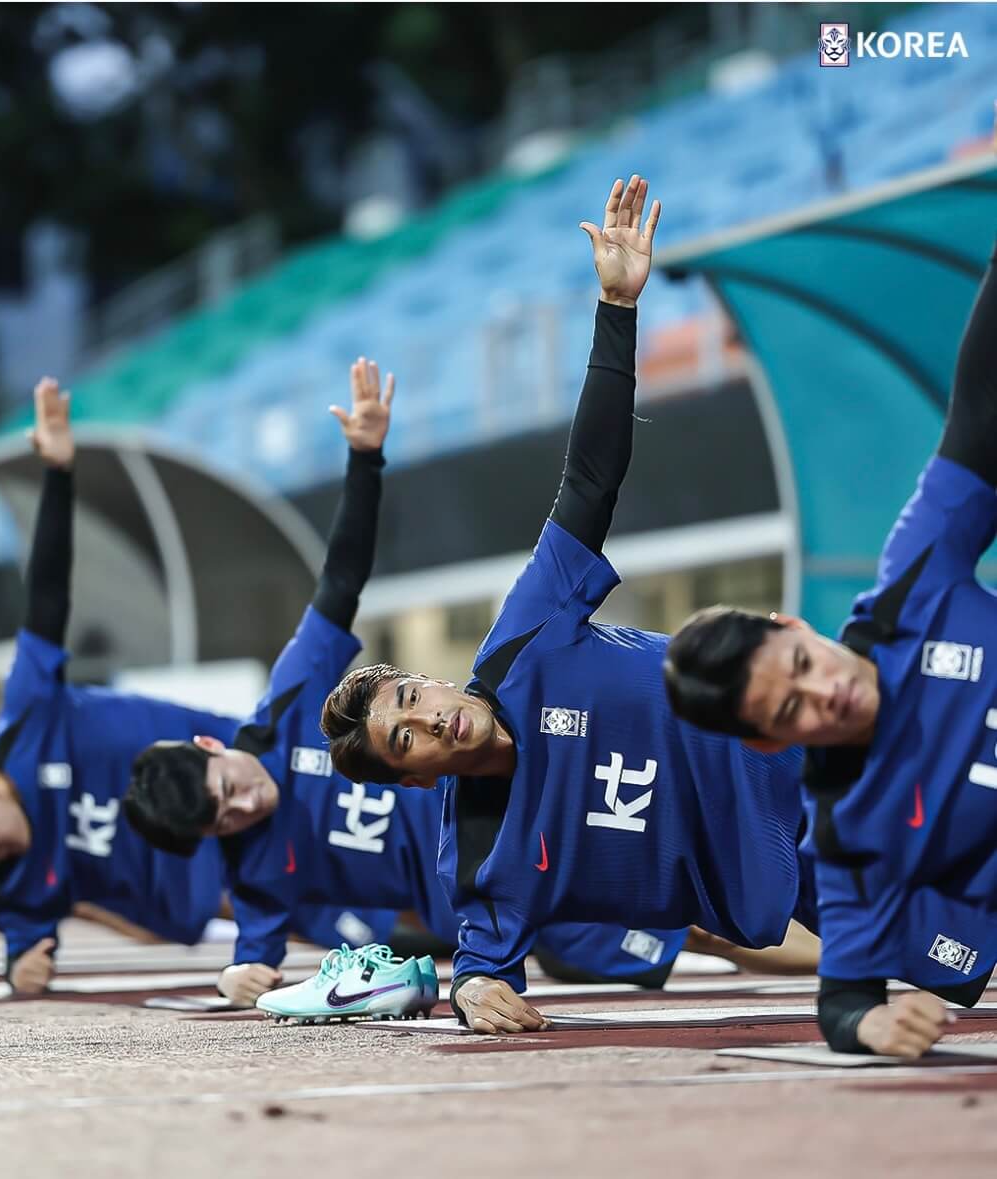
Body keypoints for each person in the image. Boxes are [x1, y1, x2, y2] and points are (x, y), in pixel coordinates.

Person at [126, 355, 815, 1012]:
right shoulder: (456, 863)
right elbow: (260, 959)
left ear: (211, 745)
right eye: (225, 817)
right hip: (506, 891)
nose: (245, 803)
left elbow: (343, 583)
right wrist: (246, 974)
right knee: (700, 926)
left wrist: (365, 459)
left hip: (759, 774)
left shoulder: (308, 699)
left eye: (228, 787)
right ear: (413, 780)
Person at [320, 175, 818, 1035]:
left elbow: (589, 480)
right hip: (806, 878)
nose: (428, 719)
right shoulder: (481, 856)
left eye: (410, 697)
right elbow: (481, 962)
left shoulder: (528, 635)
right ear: (415, 778)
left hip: (813, 735)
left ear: (427, 679)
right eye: (405, 740)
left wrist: (616, 309)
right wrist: (473, 992)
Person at [662, 233, 997, 1058]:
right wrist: (875, 1022)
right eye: (791, 711)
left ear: (794, 628)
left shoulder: (912, 588)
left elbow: (979, 419)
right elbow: (844, 999)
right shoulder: (844, 826)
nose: (827, 694)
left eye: (803, 667)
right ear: (767, 741)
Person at [0, 379, 241, 993]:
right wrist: (22, 969)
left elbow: (48, 597)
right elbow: (23, 947)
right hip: (209, 892)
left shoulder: (29, 714)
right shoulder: (10, 877)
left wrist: (58, 473)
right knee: (359, 921)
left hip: (231, 771)